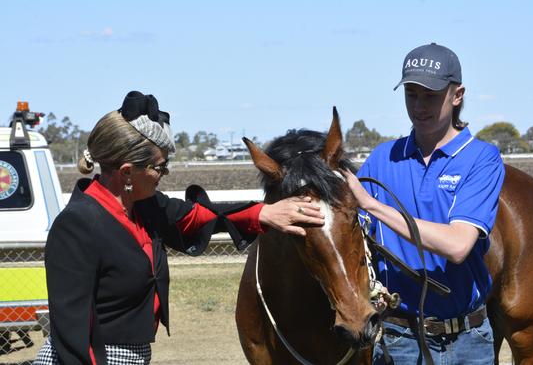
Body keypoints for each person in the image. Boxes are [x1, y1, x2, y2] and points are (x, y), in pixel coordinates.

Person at [34, 91, 324, 365]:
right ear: (126, 173)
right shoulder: (77, 226)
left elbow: (197, 217)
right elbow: (74, 334)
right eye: (159, 167)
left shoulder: (143, 206)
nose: (164, 174)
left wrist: (264, 212)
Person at [343, 43, 505, 364]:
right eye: (411, 95)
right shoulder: (382, 158)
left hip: (467, 342)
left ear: (457, 95)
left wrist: (373, 206)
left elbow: (458, 245)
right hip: (399, 339)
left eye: (430, 96)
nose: (419, 106)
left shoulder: (481, 159)